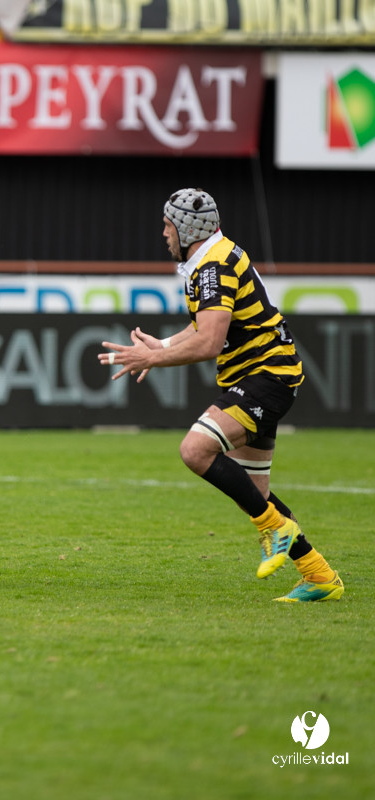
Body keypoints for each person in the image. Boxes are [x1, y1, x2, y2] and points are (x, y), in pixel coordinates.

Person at [99, 188, 344, 602]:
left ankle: (276, 529)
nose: (163, 233)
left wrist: (152, 361)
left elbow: (209, 343)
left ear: (185, 227)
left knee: (195, 450)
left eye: (167, 225)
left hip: (267, 376)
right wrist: (159, 345)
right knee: (256, 492)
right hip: (264, 375)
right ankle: (320, 576)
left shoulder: (212, 268)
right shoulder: (213, 258)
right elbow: (204, 329)